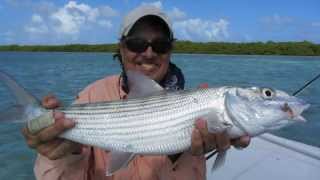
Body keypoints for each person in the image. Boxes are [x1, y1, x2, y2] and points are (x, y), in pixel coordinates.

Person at [22, 6, 250, 180]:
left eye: (160, 45)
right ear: (121, 49)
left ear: (170, 51)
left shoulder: (199, 103)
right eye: (137, 43)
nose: (149, 53)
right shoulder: (91, 95)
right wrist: (65, 153)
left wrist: (179, 152)